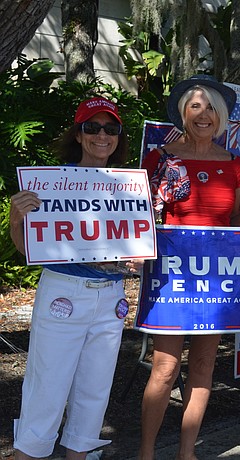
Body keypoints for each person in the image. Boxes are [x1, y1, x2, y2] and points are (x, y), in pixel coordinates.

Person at [138, 74, 240, 460]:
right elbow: (141, 216)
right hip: (172, 281)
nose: (203, 114)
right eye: (195, 106)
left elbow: (230, 224)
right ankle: (146, 452)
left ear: (222, 117)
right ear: (183, 113)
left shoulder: (233, 164)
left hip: (216, 281)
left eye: (211, 108)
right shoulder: (161, 158)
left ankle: (187, 452)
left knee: (202, 367)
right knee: (164, 369)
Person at [10, 97, 141, 460]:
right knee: (47, 385)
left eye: (110, 129)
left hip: (111, 295)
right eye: (93, 127)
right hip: (63, 292)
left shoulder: (128, 188)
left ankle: (79, 454)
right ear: (79, 135)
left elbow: (135, 251)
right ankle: (26, 454)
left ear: (118, 137)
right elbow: (26, 249)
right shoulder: (50, 185)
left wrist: (137, 260)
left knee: (95, 388)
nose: (102, 135)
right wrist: (16, 217)